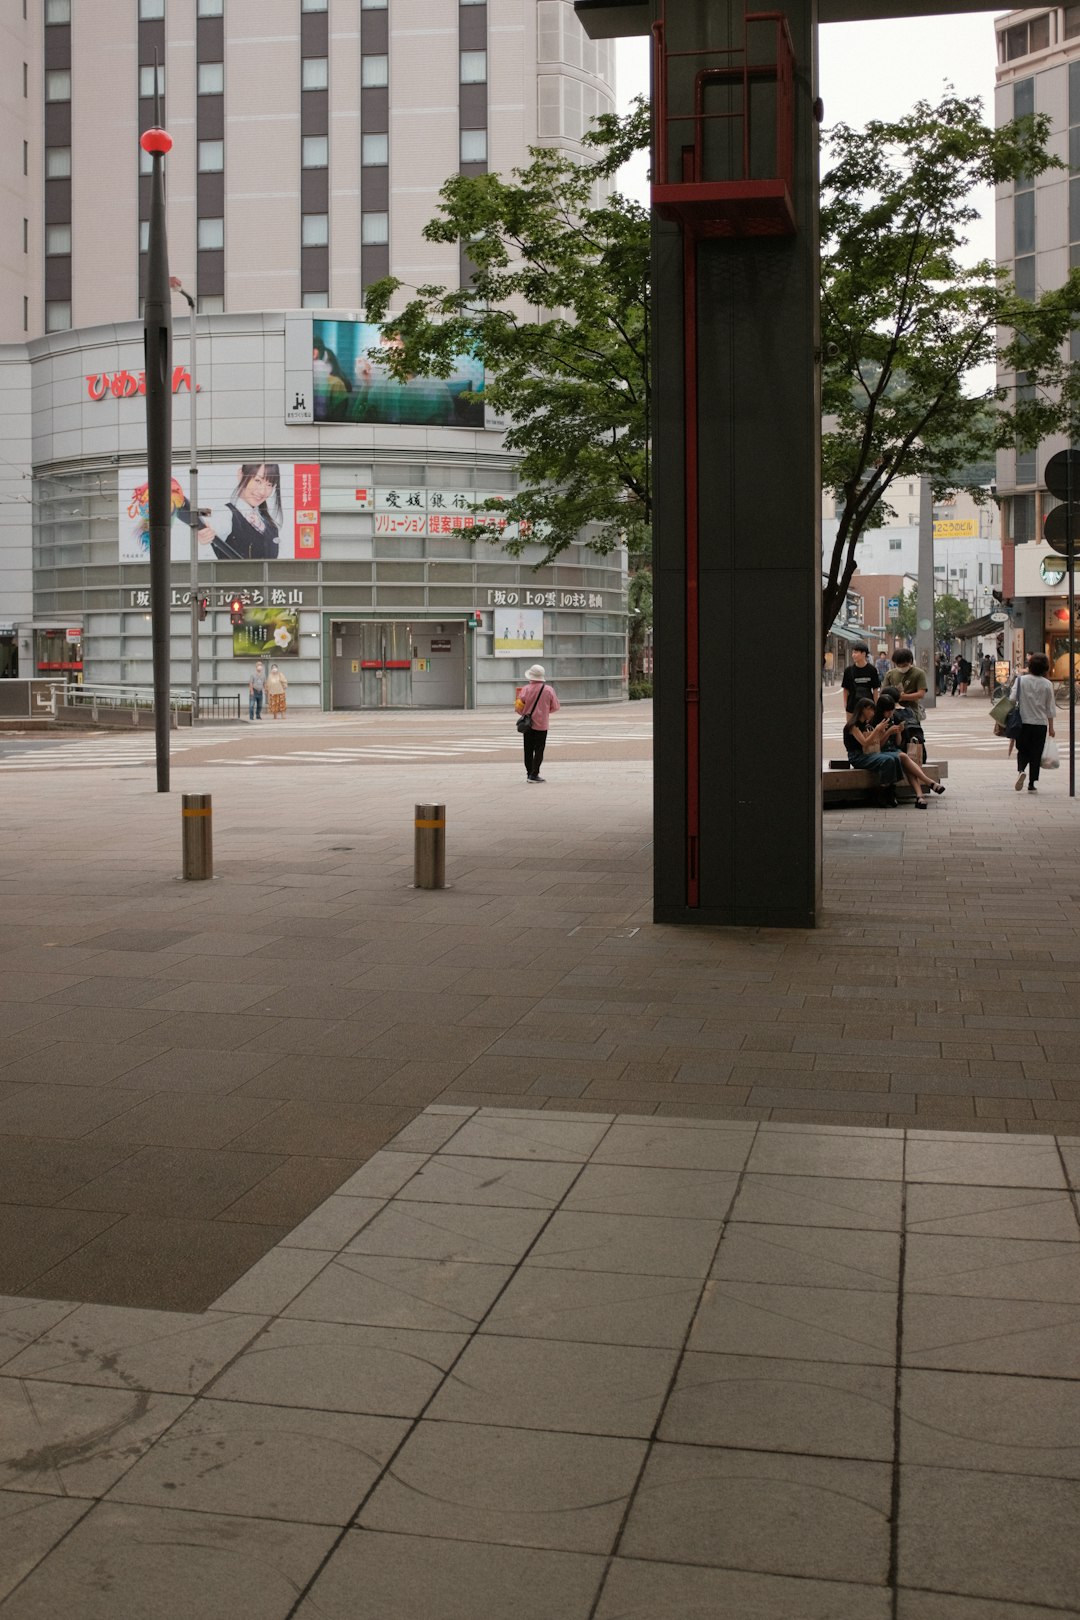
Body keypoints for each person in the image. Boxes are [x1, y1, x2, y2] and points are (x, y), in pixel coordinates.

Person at [845, 698, 946, 808]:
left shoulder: (867, 724)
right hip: (858, 756)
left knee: (895, 758)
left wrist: (895, 732)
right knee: (890, 759)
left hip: (870, 753)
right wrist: (878, 730)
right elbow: (865, 743)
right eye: (870, 710)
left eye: (873, 711)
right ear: (863, 709)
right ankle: (884, 792)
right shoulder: (853, 726)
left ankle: (890, 791)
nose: (872, 713)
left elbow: (876, 743)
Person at [198, 465, 282, 561]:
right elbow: (211, 520)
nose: (262, 491)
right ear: (241, 475)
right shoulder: (225, 513)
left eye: (269, 485)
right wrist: (204, 533)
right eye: (258, 481)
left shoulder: (269, 524)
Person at [1011, 652, 1056, 792]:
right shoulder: (1047, 684)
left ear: (1030, 666)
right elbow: (1050, 708)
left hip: (1023, 722)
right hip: (1040, 724)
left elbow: (1012, 699)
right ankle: (1032, 783)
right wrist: (1051, 728)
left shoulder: (1021, 681)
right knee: (1036, 753)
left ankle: (1021, 770)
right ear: (1045, 668)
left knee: (1022, 750)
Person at [514, 662, 560, 782]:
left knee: (527, 749)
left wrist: (525, 713)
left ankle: (529, 773)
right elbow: (555, 707)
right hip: (542, 724)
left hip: (527, 725)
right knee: (539, 749)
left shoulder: (525, 689)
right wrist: (544, 712)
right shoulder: (548, 690)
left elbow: (518, 707)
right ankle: (534, 774)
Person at [884, 647, 929, 763]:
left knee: (912, 737)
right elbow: (884, 692)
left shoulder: (918, 673)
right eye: (899, 664)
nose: (902, 667)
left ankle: (915, 759)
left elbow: (921, 693)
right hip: (893, 711)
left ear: (910, 661)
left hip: (911, 713)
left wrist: (903, 697)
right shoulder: (890, 674)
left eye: (904, 664)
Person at [841, 644, 880, 715]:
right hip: (852, 705)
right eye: (852, 653)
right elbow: (845, 689)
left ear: (864, 654)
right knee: (851, 725)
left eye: (856, 652)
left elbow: (875, 689)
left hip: (868, 705)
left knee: (868, 725)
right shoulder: (848, 671)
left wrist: (875, 704)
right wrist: (845, 704)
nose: (853, 655)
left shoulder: (872, 670)